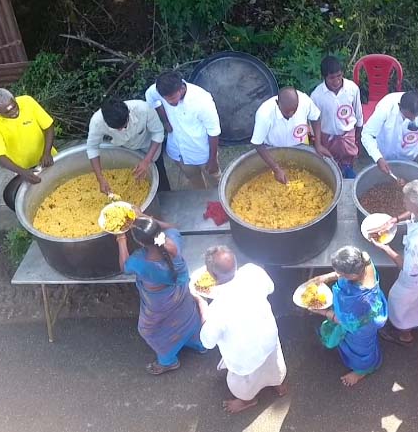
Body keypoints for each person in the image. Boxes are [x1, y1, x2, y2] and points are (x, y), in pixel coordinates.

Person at [198, 246, 287, 413]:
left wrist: (202, 307)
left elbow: (207, 342)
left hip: (243, 355)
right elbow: (270, 288)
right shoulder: (254, 272)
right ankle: (278, 383)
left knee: (245, 380)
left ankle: (248, 400)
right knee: (272, 363)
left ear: (211, 275)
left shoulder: (217, 309)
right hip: (268, 338)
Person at [115, 216, 205, 375]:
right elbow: (172, 226)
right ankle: (199, 344)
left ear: (141, 243)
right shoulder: (172, 242)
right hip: (181, 294)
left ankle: (168, 361)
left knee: (149, 330)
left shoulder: (139, 261)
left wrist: (121, 239)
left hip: (159, 303)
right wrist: (146, 219)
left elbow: (124, 266)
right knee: (187, 316)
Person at [370, 180, 418, 346]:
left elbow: (408, 269)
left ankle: (405, 335)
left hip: (415, 279)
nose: (403, 202)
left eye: (406, 201)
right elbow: (413, 215)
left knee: (400, 302)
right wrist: (395, 220)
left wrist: (385, 248)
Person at [304, 246, 387, 387]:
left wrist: (322, 311)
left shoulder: (359, 301)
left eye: (340, 273)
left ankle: (363, 371)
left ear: (352, 275)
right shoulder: (365, 261)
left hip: (362, 326)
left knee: (361, 349)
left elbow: (345, 322)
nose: (338, 275)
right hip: (365, 313)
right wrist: (328, 277)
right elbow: (361, 259)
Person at [0, 88, 56, 211]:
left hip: (46, 157)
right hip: (21, 167)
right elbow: (0, 155)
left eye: (14, 106)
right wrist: (22, 172)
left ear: (14, 99)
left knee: (57, 184)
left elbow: (48, 126)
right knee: (38, 197)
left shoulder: (27, 102)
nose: (14, 113)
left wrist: (47, 153)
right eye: (7, 113)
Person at [144, 71, 221, 189]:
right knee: (193, 179)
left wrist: (213, 160)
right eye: (166, 100)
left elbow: (214, 131)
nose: (170, 102)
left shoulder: (202, 100)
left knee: (216, 183)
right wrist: (165, 120)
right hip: (178, 151)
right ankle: (202, 199)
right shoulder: (158, 90)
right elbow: (150, 96)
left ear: (181, 89)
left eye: (173, 98)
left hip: (201, 152)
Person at [361, 90, 418, 193]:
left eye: (415, 117)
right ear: (399, 106)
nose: (412, 120)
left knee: (412, 192)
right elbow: (367, 134)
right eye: (408, 117)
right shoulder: (386, 106)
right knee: (381, 189)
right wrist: (377, 157)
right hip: (384, 156)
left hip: (411, 156)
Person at [86, 98, 168, 194]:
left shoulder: (143, 109)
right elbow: (92, 148)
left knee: (160, 175)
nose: (121, 130)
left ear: (128, 113)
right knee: (133, 176)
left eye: (124, 126)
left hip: (149, 146)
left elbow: (158, 132)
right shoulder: (97, 122)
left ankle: (165, 193)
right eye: (117, 129)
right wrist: (100, 178)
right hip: (126, 148)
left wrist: (146, 161)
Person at [251, 87, 330, 184]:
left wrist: (318, 144)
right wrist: (276, 169)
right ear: (277, 103)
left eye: (294, 110)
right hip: (273, 149)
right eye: (287, 112)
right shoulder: (264, 114)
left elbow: (315, 117)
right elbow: (257, 143)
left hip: (300, 145)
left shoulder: (305, 101)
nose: (291, 114)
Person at [310, 55, 363, 178]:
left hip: (348, 134)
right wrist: (317, 142)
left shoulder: (352, 89)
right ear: (324, 78)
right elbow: (313, 122)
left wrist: (358, 136)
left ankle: (348, 176)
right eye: (332, 78)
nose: (336, 81)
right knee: (331, 164)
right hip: (328, 137)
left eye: (339, 76)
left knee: (349, 160)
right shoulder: (316, 96)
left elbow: (358, 113)